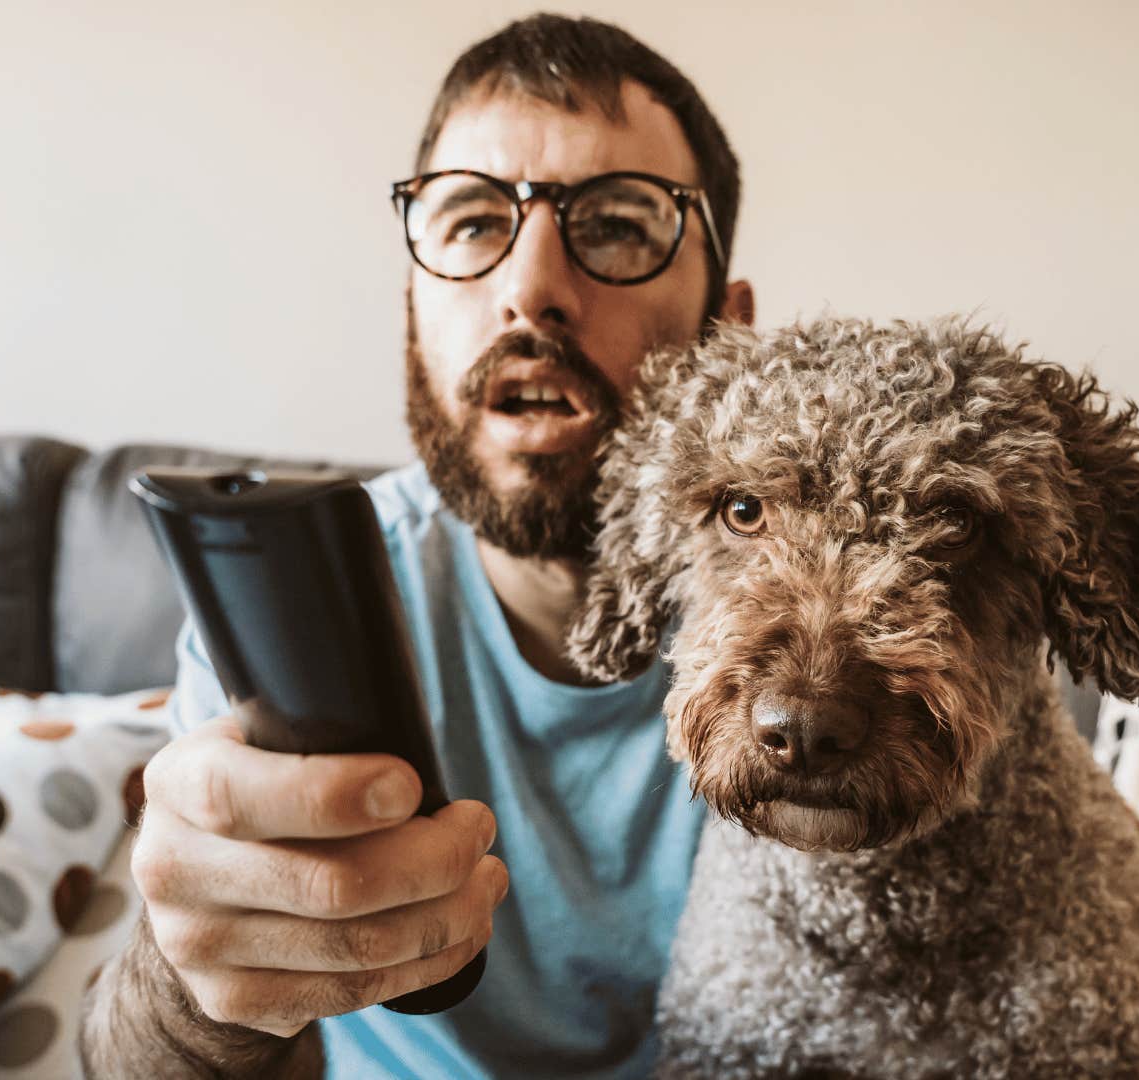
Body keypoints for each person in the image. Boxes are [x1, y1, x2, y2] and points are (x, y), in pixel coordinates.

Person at [80, 14, 755, 1079]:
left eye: (622, 225)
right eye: (473, 220)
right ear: (414, 304)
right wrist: (192, 984)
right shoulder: (287, 607)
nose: (530, 287)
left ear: (730, 327)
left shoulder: (833, 621)